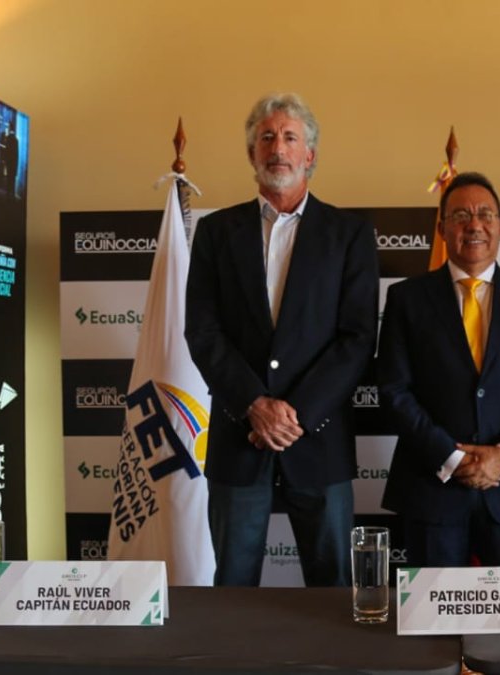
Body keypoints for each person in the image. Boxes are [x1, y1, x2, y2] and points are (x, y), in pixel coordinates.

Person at [185, 92, 378, 587]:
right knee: (233, 588)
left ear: (309, 154)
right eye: (266, 137)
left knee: (333, 590)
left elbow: (357, 338)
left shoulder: (349, 234)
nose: (278, 148)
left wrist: (297, 414)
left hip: (319, 440)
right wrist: (254, 404)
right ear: (252, 154)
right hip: (239, 437)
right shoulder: (214, 232)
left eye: (290, 137)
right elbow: (202, 331)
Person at [378, 172, 500, 567]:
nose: (474, 224)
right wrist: (449, 456)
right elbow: (394, 390)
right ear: (443, 228)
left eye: (484, 214)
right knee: (432, 622)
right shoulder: (406, 298)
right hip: (432, 486)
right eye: (461, 215)